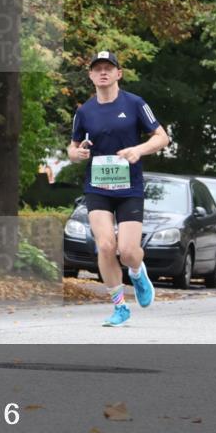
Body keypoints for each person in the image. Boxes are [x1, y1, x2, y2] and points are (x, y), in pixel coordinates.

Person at [67, 50, 170, 327]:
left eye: (108, 68)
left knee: (127, 251)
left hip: (129, 187)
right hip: (97, 186)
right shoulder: (84, 111)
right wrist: (77, 154)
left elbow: (162, 137)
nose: (103, 72)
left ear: (118, 74)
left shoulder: (135, 103)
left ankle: (136, 271)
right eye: (98, 69)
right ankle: (119, 306)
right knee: (104, 245)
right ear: (91, 76)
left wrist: (139, 150)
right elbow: (72, 148)